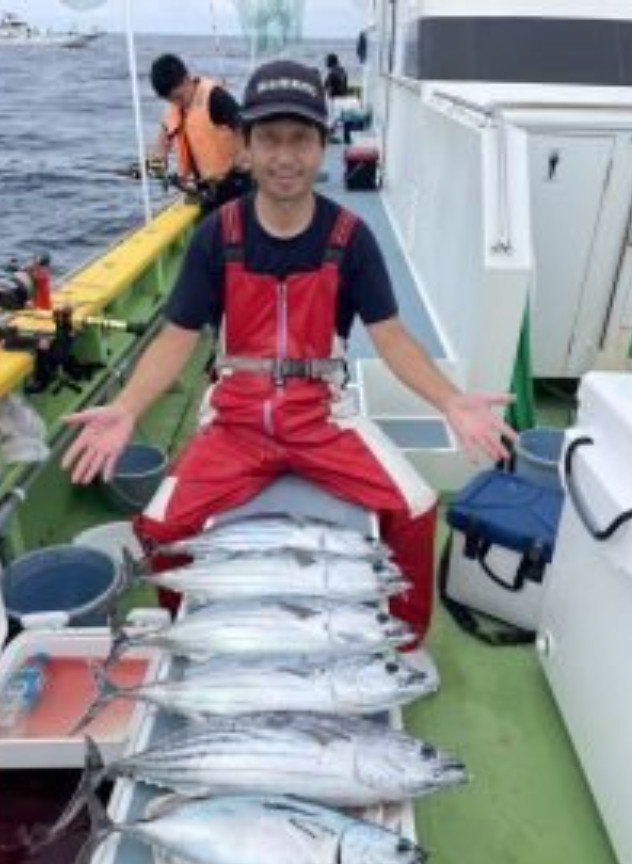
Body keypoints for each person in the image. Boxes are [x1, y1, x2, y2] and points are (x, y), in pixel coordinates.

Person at [62, 60, 517, 643]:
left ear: (322, 146)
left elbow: (393, 339)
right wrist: (126, 410)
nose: (285, 156)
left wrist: (450, 402)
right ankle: (190, 640)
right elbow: (176, 338)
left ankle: (399, 644)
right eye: (270, 139)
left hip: (321, 419)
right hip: (236, 423)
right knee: (158, 526)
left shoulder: (351, 238)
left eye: (301, 138)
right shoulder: (215, 237)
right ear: (245, 147)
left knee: (417, 509)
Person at [149, 53, 252, 213]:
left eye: (179, 97)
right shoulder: (176, 108)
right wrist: (158, 165)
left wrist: (243, 153)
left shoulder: (215, 97)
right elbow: (163, 140)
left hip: (236, 187)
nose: (177, 103)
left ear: (186, 79)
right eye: (171, 100)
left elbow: (244, 124)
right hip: (205, 191)